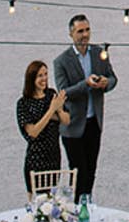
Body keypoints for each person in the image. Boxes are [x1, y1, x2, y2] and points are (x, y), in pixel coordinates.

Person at [52, 14, 116, 200]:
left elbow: (113, 78)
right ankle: (81, 207)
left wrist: (106, 83)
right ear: (71, 34)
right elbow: (64, 92)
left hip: (93, 122)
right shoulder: (61, 61)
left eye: (87, 30)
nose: (85, 35)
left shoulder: (99, 53)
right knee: (79, 171)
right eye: (80, 31)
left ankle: (86, 203)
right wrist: (86, 84)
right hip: (72, 127)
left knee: (91, 169)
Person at [16, 60, 70, 193]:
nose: (44, 78)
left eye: (45, 74)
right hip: (36, 159)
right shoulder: (23, 103)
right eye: (40, 75)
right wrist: (52, 110)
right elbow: (33, 132)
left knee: (52, 199)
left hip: (53, 156)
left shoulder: (51, 94)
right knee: (37, 199)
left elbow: (66, 120)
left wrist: (58, 110)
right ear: (32, 78)